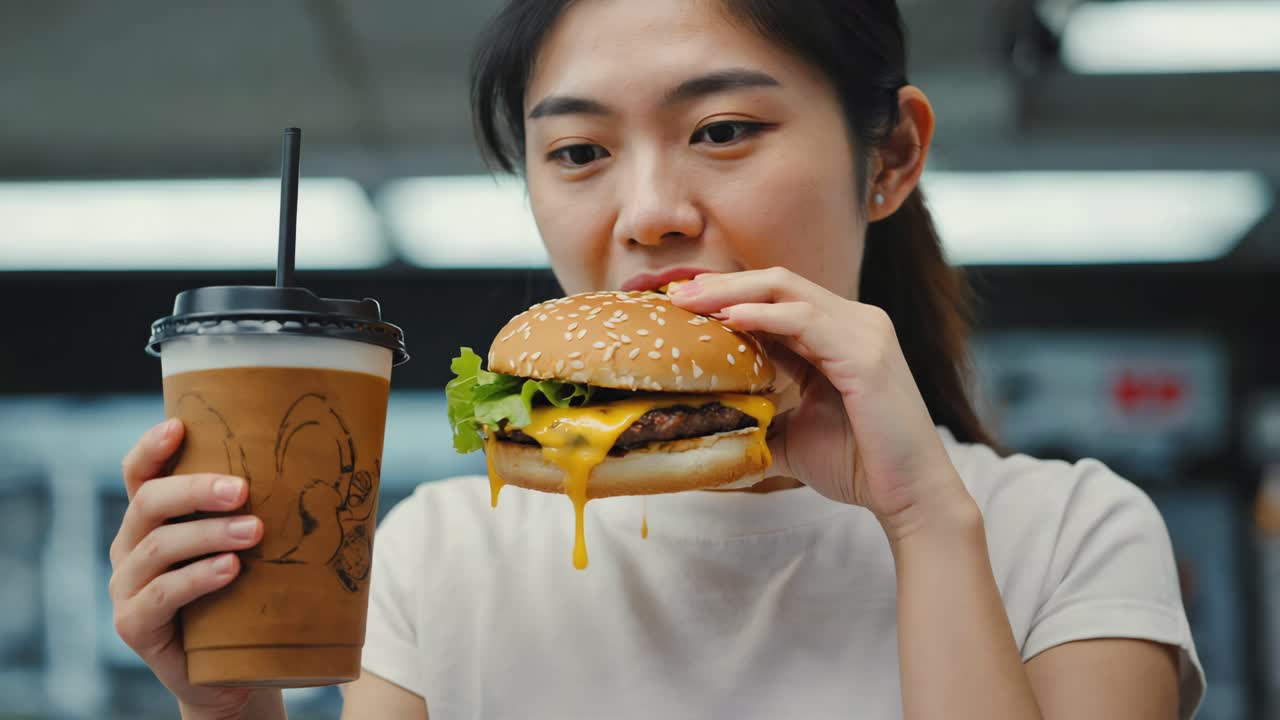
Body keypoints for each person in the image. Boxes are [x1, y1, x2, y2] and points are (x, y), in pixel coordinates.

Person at [108, 1, 1206, 718]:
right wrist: (234, 711)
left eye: (723, 129)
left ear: (890, 155)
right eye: (578, 152)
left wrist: (921, 519)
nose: (648, 215)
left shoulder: (1068, 535)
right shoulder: (439, 558)